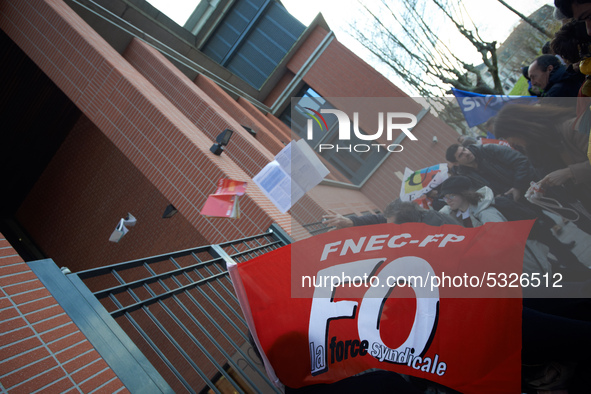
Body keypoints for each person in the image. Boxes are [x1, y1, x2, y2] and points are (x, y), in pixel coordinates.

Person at [493, 104, 591, 213]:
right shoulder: (537, 146)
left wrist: (569, 172)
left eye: (508, 137)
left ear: (520, 128)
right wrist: (542, 184)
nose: (510, 143)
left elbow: (565, 172)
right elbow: (555, 171)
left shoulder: (570, 128)